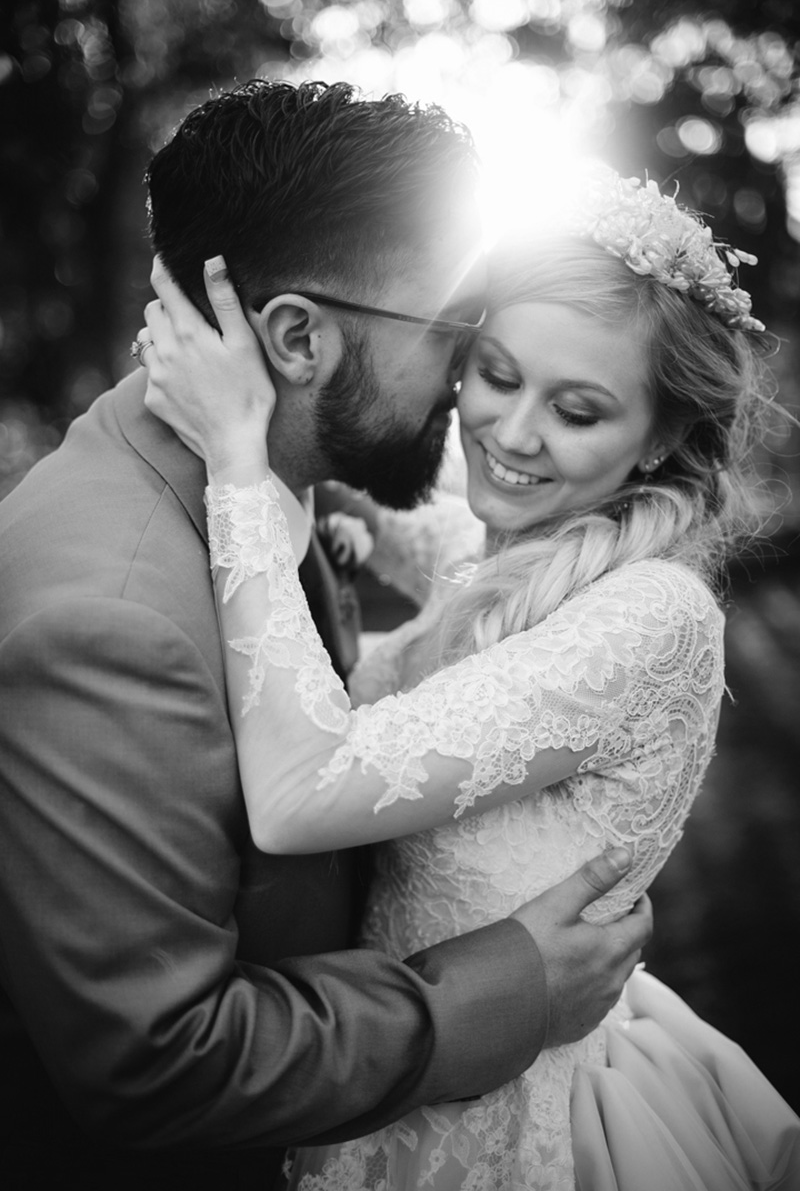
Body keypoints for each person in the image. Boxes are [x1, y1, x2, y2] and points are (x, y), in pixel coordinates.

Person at [0, 82, 650, 1191]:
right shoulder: (111, 617)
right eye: (453, 326)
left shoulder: (258, 486)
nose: (470, 373)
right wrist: (509, 988)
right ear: (297, 338)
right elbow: (157, 1059)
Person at [141, 170, 800, 1190]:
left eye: (577, 411)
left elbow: (298, 793)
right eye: (496, 373)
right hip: (395, 1076)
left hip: (508, 1126)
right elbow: (395, 508)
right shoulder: (507, 546)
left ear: (661, 437)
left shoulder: (651, 616)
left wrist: (235, 464)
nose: (511, 432)